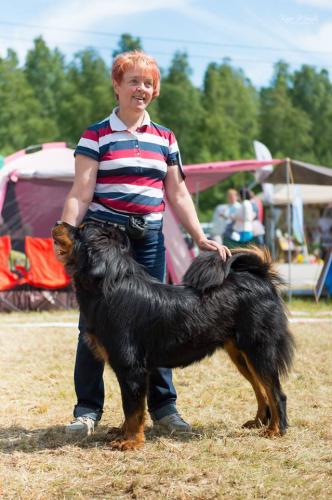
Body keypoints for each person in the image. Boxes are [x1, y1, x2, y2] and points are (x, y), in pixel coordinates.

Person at [55, 50, 231, 437]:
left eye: (148, 83)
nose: (141, 89)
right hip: (103, 243)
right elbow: (82, 192)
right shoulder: (96, 134)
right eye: (133, 81)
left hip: (149, 239)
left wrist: (199, 236)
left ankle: (165, 410)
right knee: (93, 325)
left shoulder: (165, 137)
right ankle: (87, 411)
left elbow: (178, 193)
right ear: (117, 85)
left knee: (158, 323)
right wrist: (67, 232)